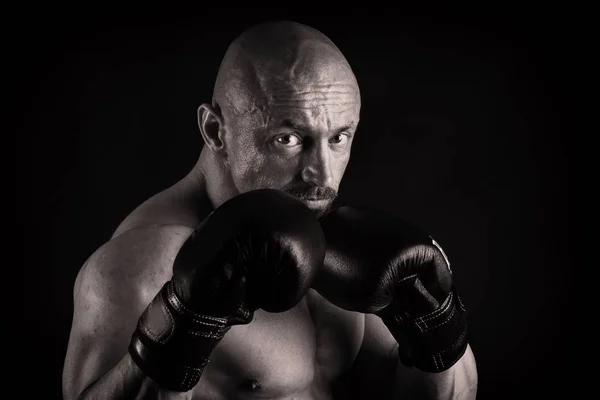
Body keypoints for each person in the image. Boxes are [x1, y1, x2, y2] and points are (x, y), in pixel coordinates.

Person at [62, 20, 478, 399]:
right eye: (289, 139)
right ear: (215, 131)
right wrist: (185, 320)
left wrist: (436, 325)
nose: (321, 174)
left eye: (338, 138)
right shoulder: (143, 263)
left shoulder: (350, 248)